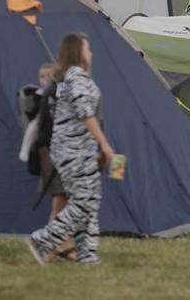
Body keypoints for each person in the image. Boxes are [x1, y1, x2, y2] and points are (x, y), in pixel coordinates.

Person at [27, 34, 114, 266]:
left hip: (80, 150)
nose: (91, 53)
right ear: (78, 52)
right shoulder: (76, 78)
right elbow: (85, 113)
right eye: (88, 49)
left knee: (90, 199)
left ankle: (87, 254)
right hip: (72, 151)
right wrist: (105, 145)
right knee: (84, 201)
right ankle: (42, 240)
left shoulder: (74, 78)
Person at [18, 64, 73, 261]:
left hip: (59, 155)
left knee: (65, 202)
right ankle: (47, 246)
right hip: (52, 155)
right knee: (61, 201)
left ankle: (61, 244)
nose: (46, 80)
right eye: (43, 77)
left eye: (49, 76)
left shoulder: (56, 98)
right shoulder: (44, 99)